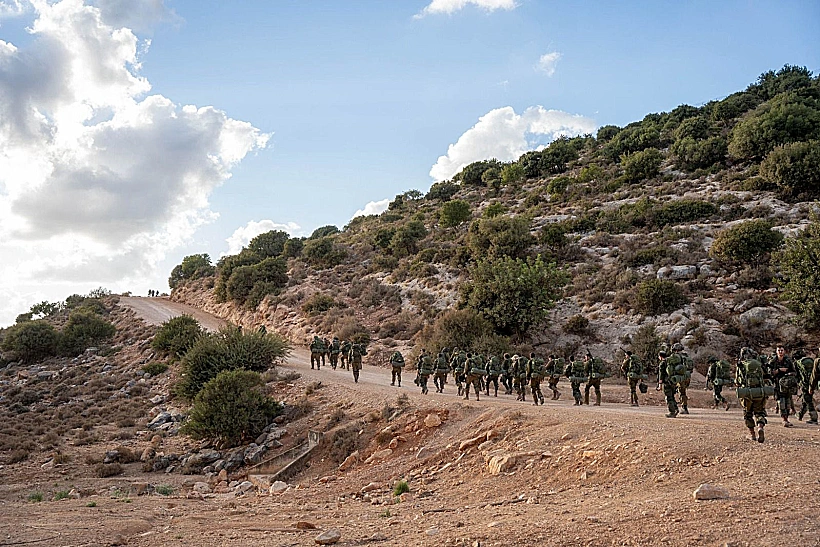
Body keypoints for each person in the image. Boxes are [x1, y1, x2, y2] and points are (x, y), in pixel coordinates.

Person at [735, 347, 772, 442]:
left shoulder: (741, 365)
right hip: (759, 392)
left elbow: (737, 381)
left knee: (747, 414)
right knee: (759, 412)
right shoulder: (759, 364)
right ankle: (760, 427)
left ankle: (752, 434)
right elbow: (766, 376)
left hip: (747, 394)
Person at [767, 345, 797, 427]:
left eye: (782, 350)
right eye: (779, 350)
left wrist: (789, 373)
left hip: (787, 384)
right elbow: (770, 374)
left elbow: (794, 372)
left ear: (784, 351)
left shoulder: (788, 361)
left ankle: (786, 418)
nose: (780, 352)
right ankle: (784, 419)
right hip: (777, 384)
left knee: (788, 402)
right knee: (781, 402)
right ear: (776, 352)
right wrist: (778, 370)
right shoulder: (772, 361)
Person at [795, 349, 818, 425]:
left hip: (805, 384)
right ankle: (800, 415)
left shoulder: (797, 363)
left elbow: (797, 375)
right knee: (806, 399)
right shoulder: (811, 360)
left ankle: (814, 418)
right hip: (812, 383)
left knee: (808, 400)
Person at [658, 347, 682, 418]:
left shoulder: (662, 363)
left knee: (668, 397)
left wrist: (660, 385)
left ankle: (672, 412)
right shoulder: (670, 362)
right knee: (672, 396)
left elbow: (661, 375)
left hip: (667, 383)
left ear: (660, 356)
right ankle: (676, 409)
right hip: (673, 381)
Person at [670, 343, 692, 414]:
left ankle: (684, 408)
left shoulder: (676, 357)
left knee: (681, 392)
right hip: (687, 376)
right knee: (683, 392)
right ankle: (683, 406)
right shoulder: (687, 356)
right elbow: (691, 368)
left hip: (680, 377)